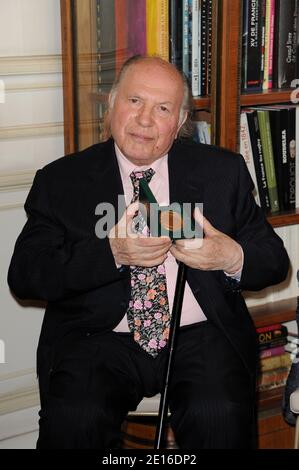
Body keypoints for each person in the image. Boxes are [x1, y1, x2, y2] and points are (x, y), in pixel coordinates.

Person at [8, 55, 289, 449]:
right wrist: (113, 252)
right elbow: (26, 275)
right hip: (99, 334)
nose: (144, 120)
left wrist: (230, 256)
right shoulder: (61, 181)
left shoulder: (221, 172)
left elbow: (274, 261)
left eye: (162, 108)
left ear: (180, 121)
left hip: (199, 329)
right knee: (75, 419)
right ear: (112, 103)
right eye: (134, 101)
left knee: (219, 412)